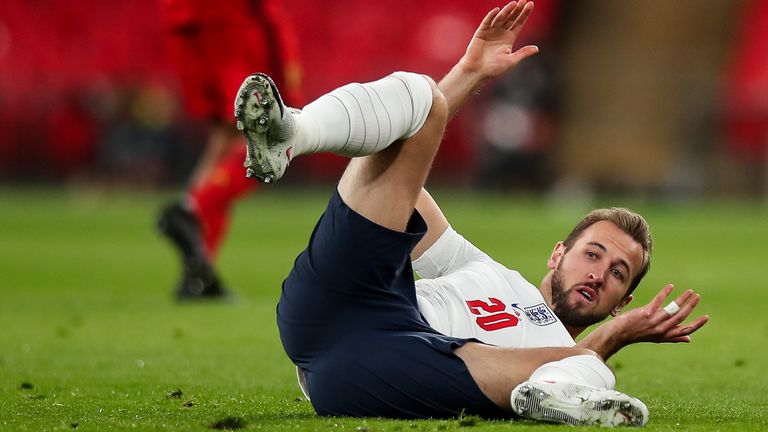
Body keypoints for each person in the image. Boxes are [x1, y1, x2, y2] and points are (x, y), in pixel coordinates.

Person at [234, 1, 709, 426]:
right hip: (339, 303)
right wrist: (470, 72)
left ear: (622, 301)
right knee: (418, 94)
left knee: (588, 368)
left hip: (389, 364)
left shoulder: (561, 355)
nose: (598, 274)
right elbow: (398, 171)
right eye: (593, 254)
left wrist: (615, 335)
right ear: (558, 254)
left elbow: (575, 358)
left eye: (618, 273)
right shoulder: (481, 269)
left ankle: (547, 401)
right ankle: (291, 132)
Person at [156, 0, 302, 299]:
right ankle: (189, 210)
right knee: (263, 137)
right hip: (232, 23)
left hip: (190, 25)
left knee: (225, 137)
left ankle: (198, 272)